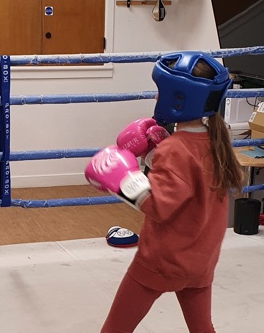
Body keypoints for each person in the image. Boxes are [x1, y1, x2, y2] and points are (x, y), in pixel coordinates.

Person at [85, 51, 245, 333]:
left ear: (178, 99)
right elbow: (187, 182)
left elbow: (159, 205)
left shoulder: (174, 150)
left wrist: (123, 179)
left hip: (162, 260)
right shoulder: (215, 144)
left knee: (115, 328)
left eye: (161, 93)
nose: (157, 99)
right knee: (202, 329)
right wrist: (155, 152)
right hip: (200, 259)